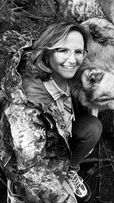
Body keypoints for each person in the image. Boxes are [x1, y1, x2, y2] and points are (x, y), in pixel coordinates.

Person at [2, 20, 102, 203]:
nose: (73, 59)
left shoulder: (64, 73)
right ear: (47, 53)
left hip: (56, 141)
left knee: (92, 127)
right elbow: (30, 168)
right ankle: (16, 191)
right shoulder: (26, 106)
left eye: (78, 52)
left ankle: (69, 171)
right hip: (29, 163)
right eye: (63, 50)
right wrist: (62, 198)